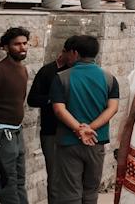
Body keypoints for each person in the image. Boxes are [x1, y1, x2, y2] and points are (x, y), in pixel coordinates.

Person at [51, 35, 120, 204]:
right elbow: (113, 108)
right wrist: (90, 128)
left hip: (69, 142)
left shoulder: (62, 78)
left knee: (70, 192)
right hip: (96, 141)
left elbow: (59, 110)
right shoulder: (109, 78)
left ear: (75, 53)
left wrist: (79, 129)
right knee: (90, 191)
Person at [27, 36, 77, 204]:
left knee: (73, 177)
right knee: (54, 177)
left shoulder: (78, 72)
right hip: (51, 132)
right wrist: (53, 99)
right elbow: (32, 99)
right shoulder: (47, 71)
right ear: (65, 52)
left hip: (75, 131)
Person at [0, 27, 30, 204]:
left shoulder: (22, 69)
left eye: (25, 43)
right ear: (6, 47)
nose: (22, 47)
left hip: (16, 133)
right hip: (0, 133)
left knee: (20, 181)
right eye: (17, 44)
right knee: (7, 183)